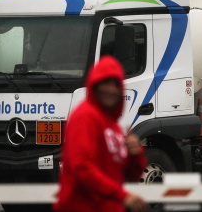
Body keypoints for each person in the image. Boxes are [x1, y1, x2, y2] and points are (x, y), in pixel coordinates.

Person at [54, 56, 148, 212]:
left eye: (115, 84)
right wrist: (122, 196)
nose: (111, 89)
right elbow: (81, 166)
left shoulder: (114, 127)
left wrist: (136, 155)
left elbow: (128, 176)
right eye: (105, 83)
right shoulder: (85, 116)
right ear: (94, 85)